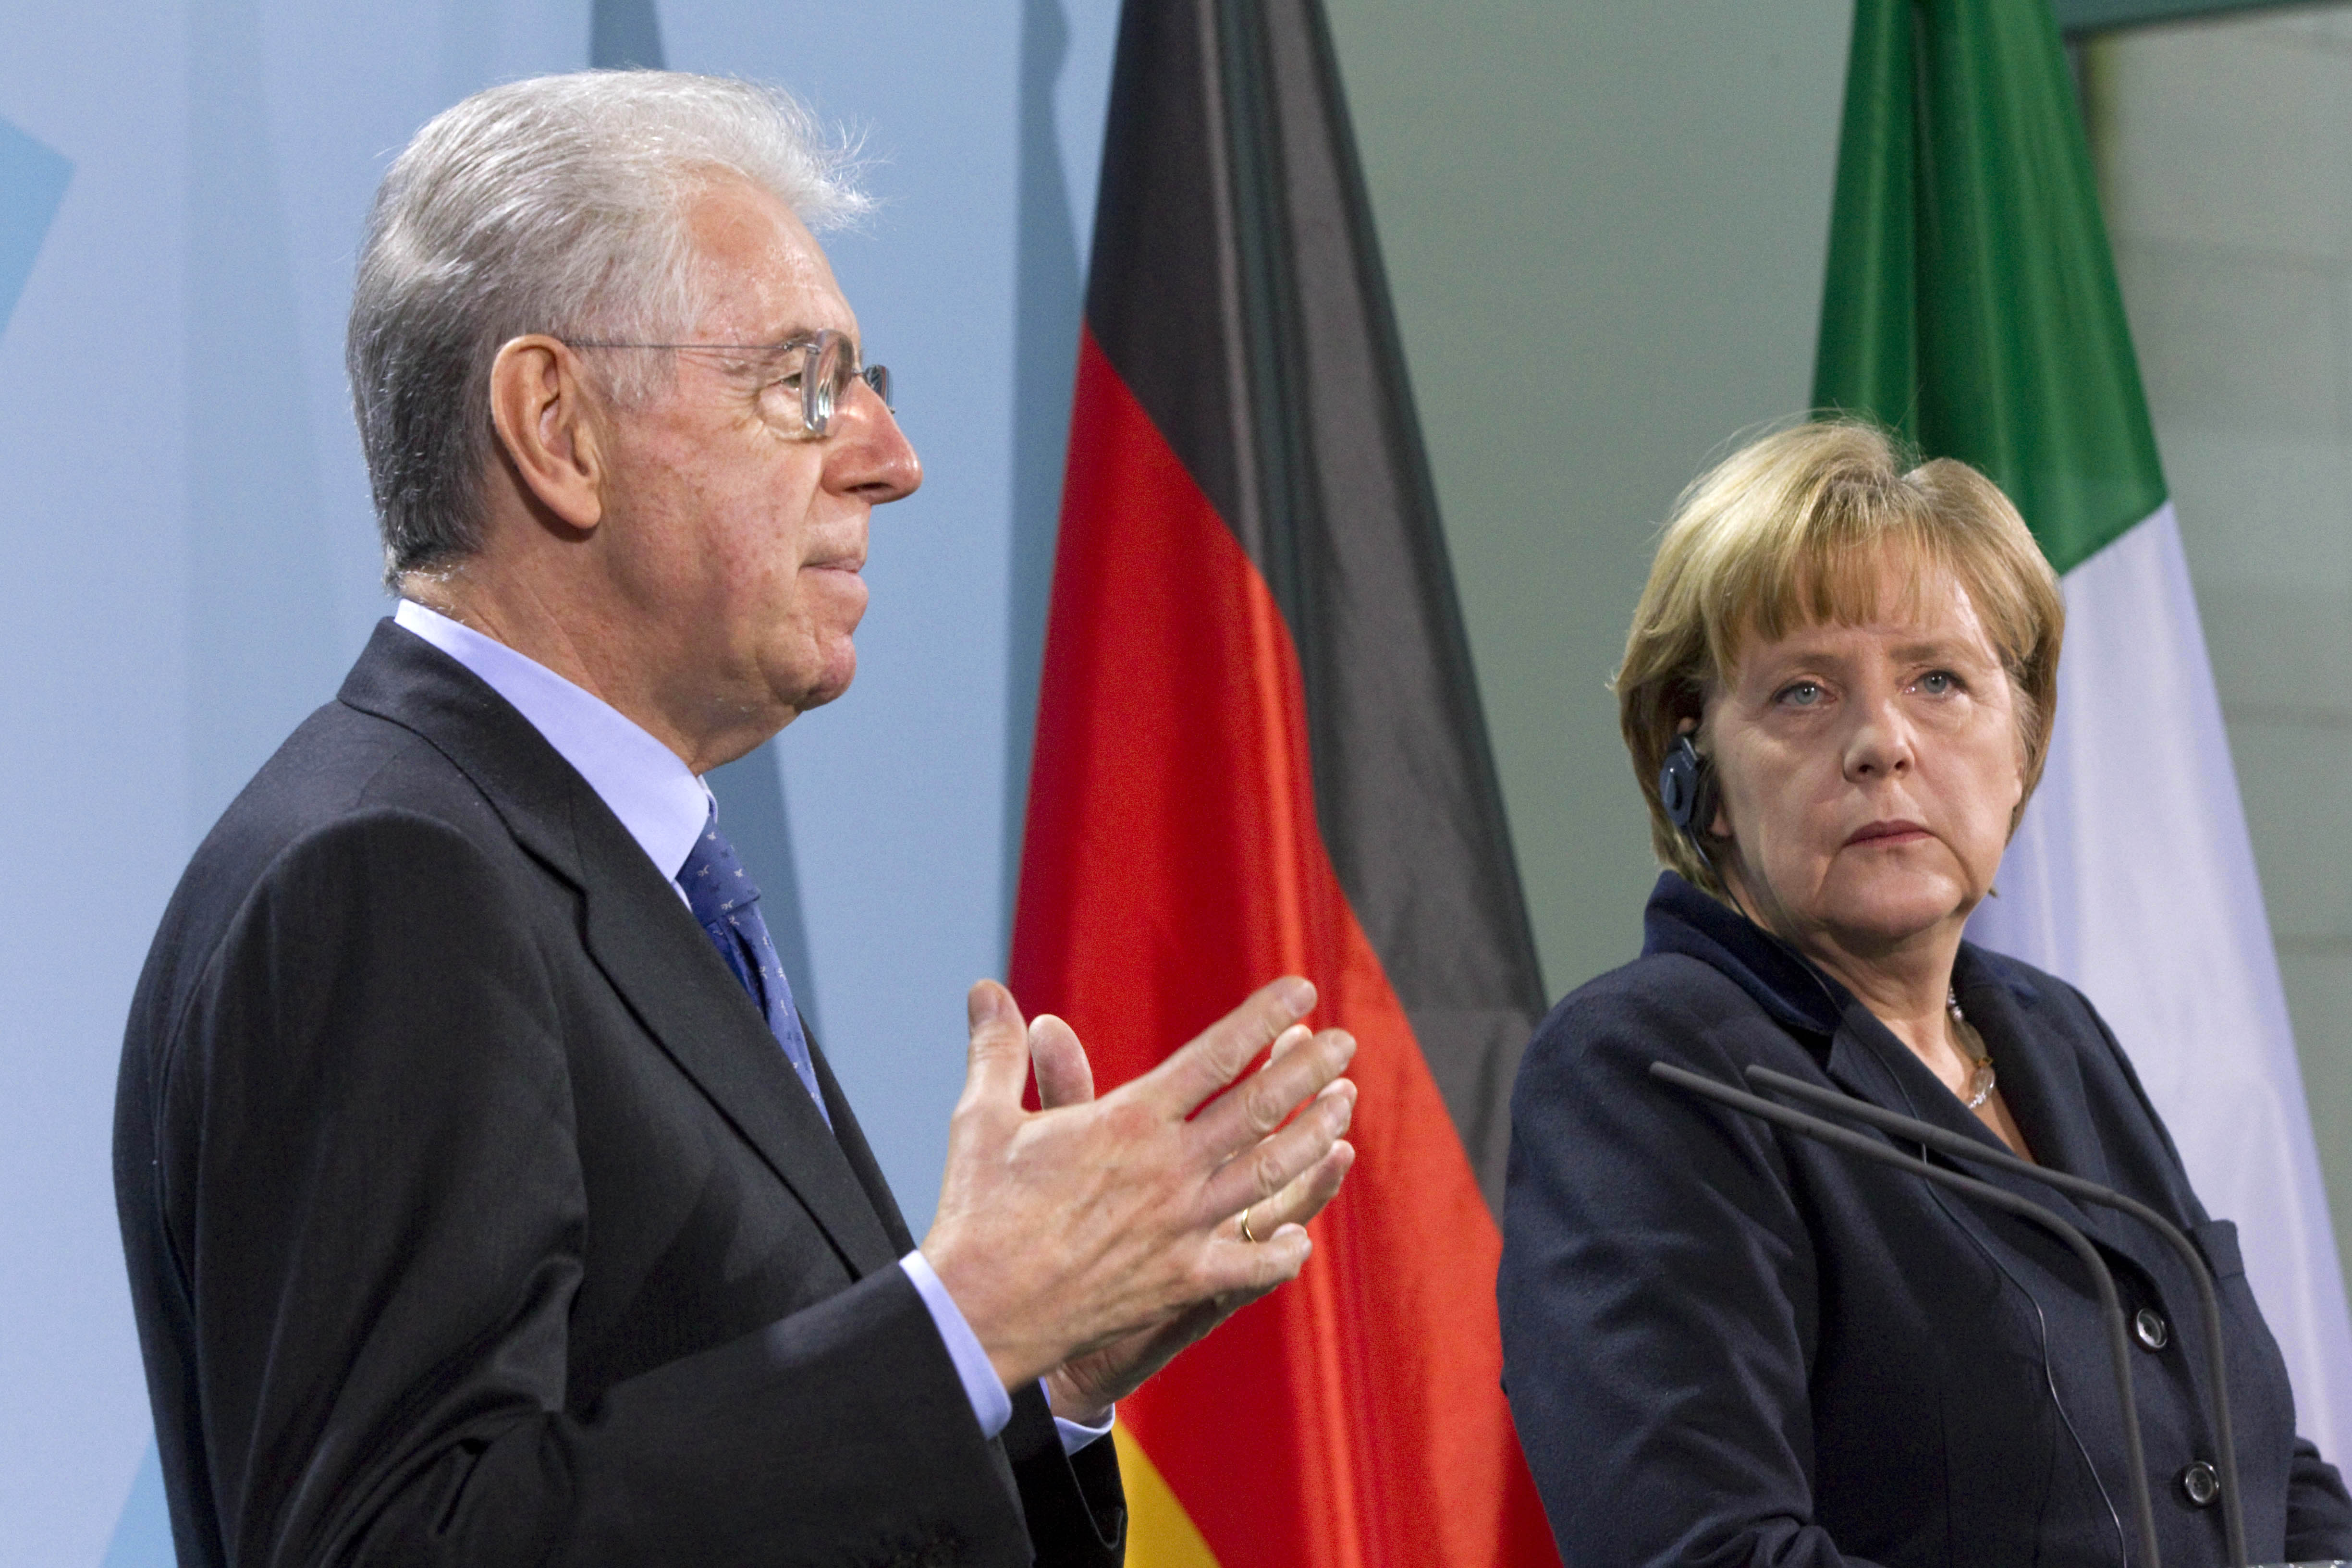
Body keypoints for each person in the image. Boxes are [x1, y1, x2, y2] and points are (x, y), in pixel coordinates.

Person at [113, 72, 1358, 1568]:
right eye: (802, 385)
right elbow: (402, 1543)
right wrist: (964, 1323)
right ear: (557, 427)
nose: (891, 457)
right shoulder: (388, 878)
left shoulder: (622, 878)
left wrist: (1040, 1379)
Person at [1498, 420, 2352, 1566]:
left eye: (1939, 680)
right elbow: (1706, 1554)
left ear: (2022, 745)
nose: (1882, 743)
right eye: (1804, 693)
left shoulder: (2053, 1034)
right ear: (1699, 779)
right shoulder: (1647, 1073)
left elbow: (2256, 1469)